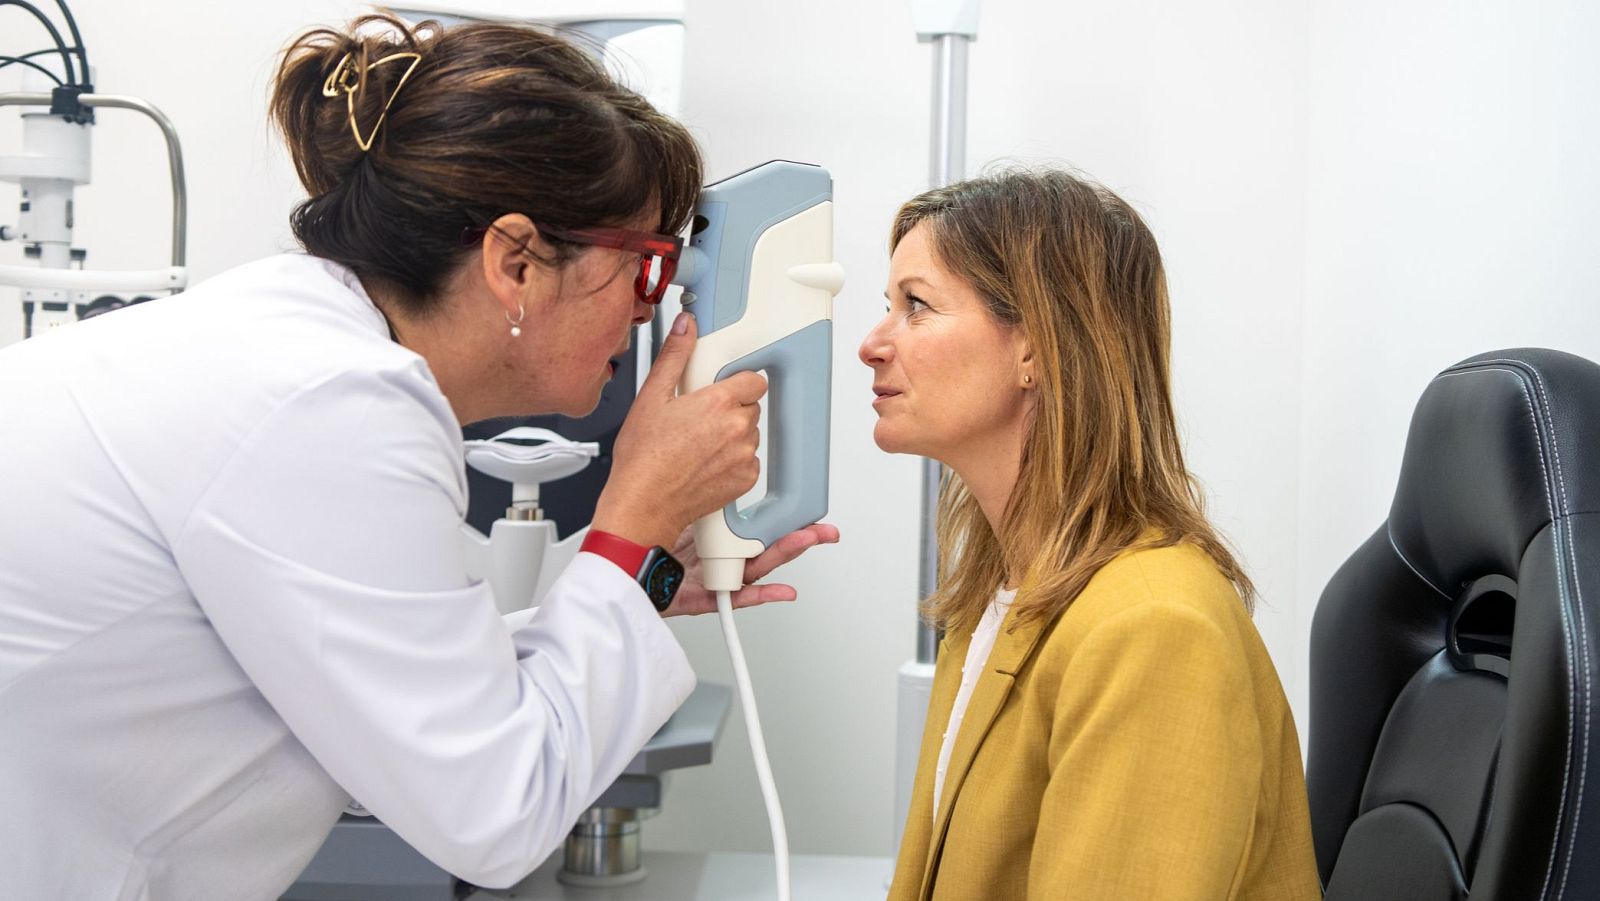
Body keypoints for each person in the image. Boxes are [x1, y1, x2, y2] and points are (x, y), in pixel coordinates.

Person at [0, 15, 835, 899]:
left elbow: (399, 671)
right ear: (514, 261)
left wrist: (644, 577)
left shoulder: (291, 348)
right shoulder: (333, 402)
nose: (647, 308)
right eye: (646, 261)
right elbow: (494, 809)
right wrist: (633, 521)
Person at [864, 169, 1320, 899]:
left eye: (916, 306)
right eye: (887, 306)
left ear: (1036, 347)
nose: (873, 343)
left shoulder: (1155, 630)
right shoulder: (997, 601)